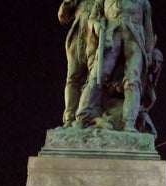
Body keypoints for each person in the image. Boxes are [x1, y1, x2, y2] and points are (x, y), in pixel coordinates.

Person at [76, 0, 154, 132]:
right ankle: (82, 116)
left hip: (135, 39)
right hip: (111, 37)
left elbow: (148, 29)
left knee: (133, 80)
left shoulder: (143, 2)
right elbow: (92, 18)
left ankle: (129, 123)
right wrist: (96, 25)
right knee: (97, 75)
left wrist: (148, 52)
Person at [57, 0, 97, 128]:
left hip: (95, 36)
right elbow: (63, 17)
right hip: (78, 34)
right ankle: (69, 118)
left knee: (95, 77)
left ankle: (88, 115)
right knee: (72, 78)